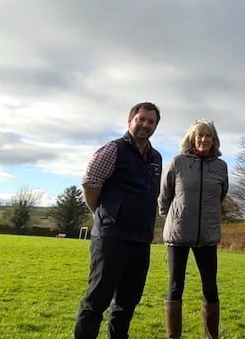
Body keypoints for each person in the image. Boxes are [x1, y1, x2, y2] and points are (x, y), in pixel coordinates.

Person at [73, 102, 162, 339]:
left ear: (155, 126)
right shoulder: (113, 150)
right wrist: (104, 214)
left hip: (140, 240)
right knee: (96, 301)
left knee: (127, 303)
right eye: (140, 119)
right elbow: (90, 184)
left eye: (150, 121)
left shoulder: (156, 158)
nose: (145, 125)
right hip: (110, 239)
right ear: (130, 120)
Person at [158, 119, 229, 339]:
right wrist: (176, 218)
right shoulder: (178, 162)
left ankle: (211, 336)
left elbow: (221, 196)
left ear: (214, 139)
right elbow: (164, 197)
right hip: (178, 235)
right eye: (200, 135)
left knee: (210, 287)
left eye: (209, 136)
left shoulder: (221, 166)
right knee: (175, 285)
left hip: (207, 236)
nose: (204, 139)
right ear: (192, 138)